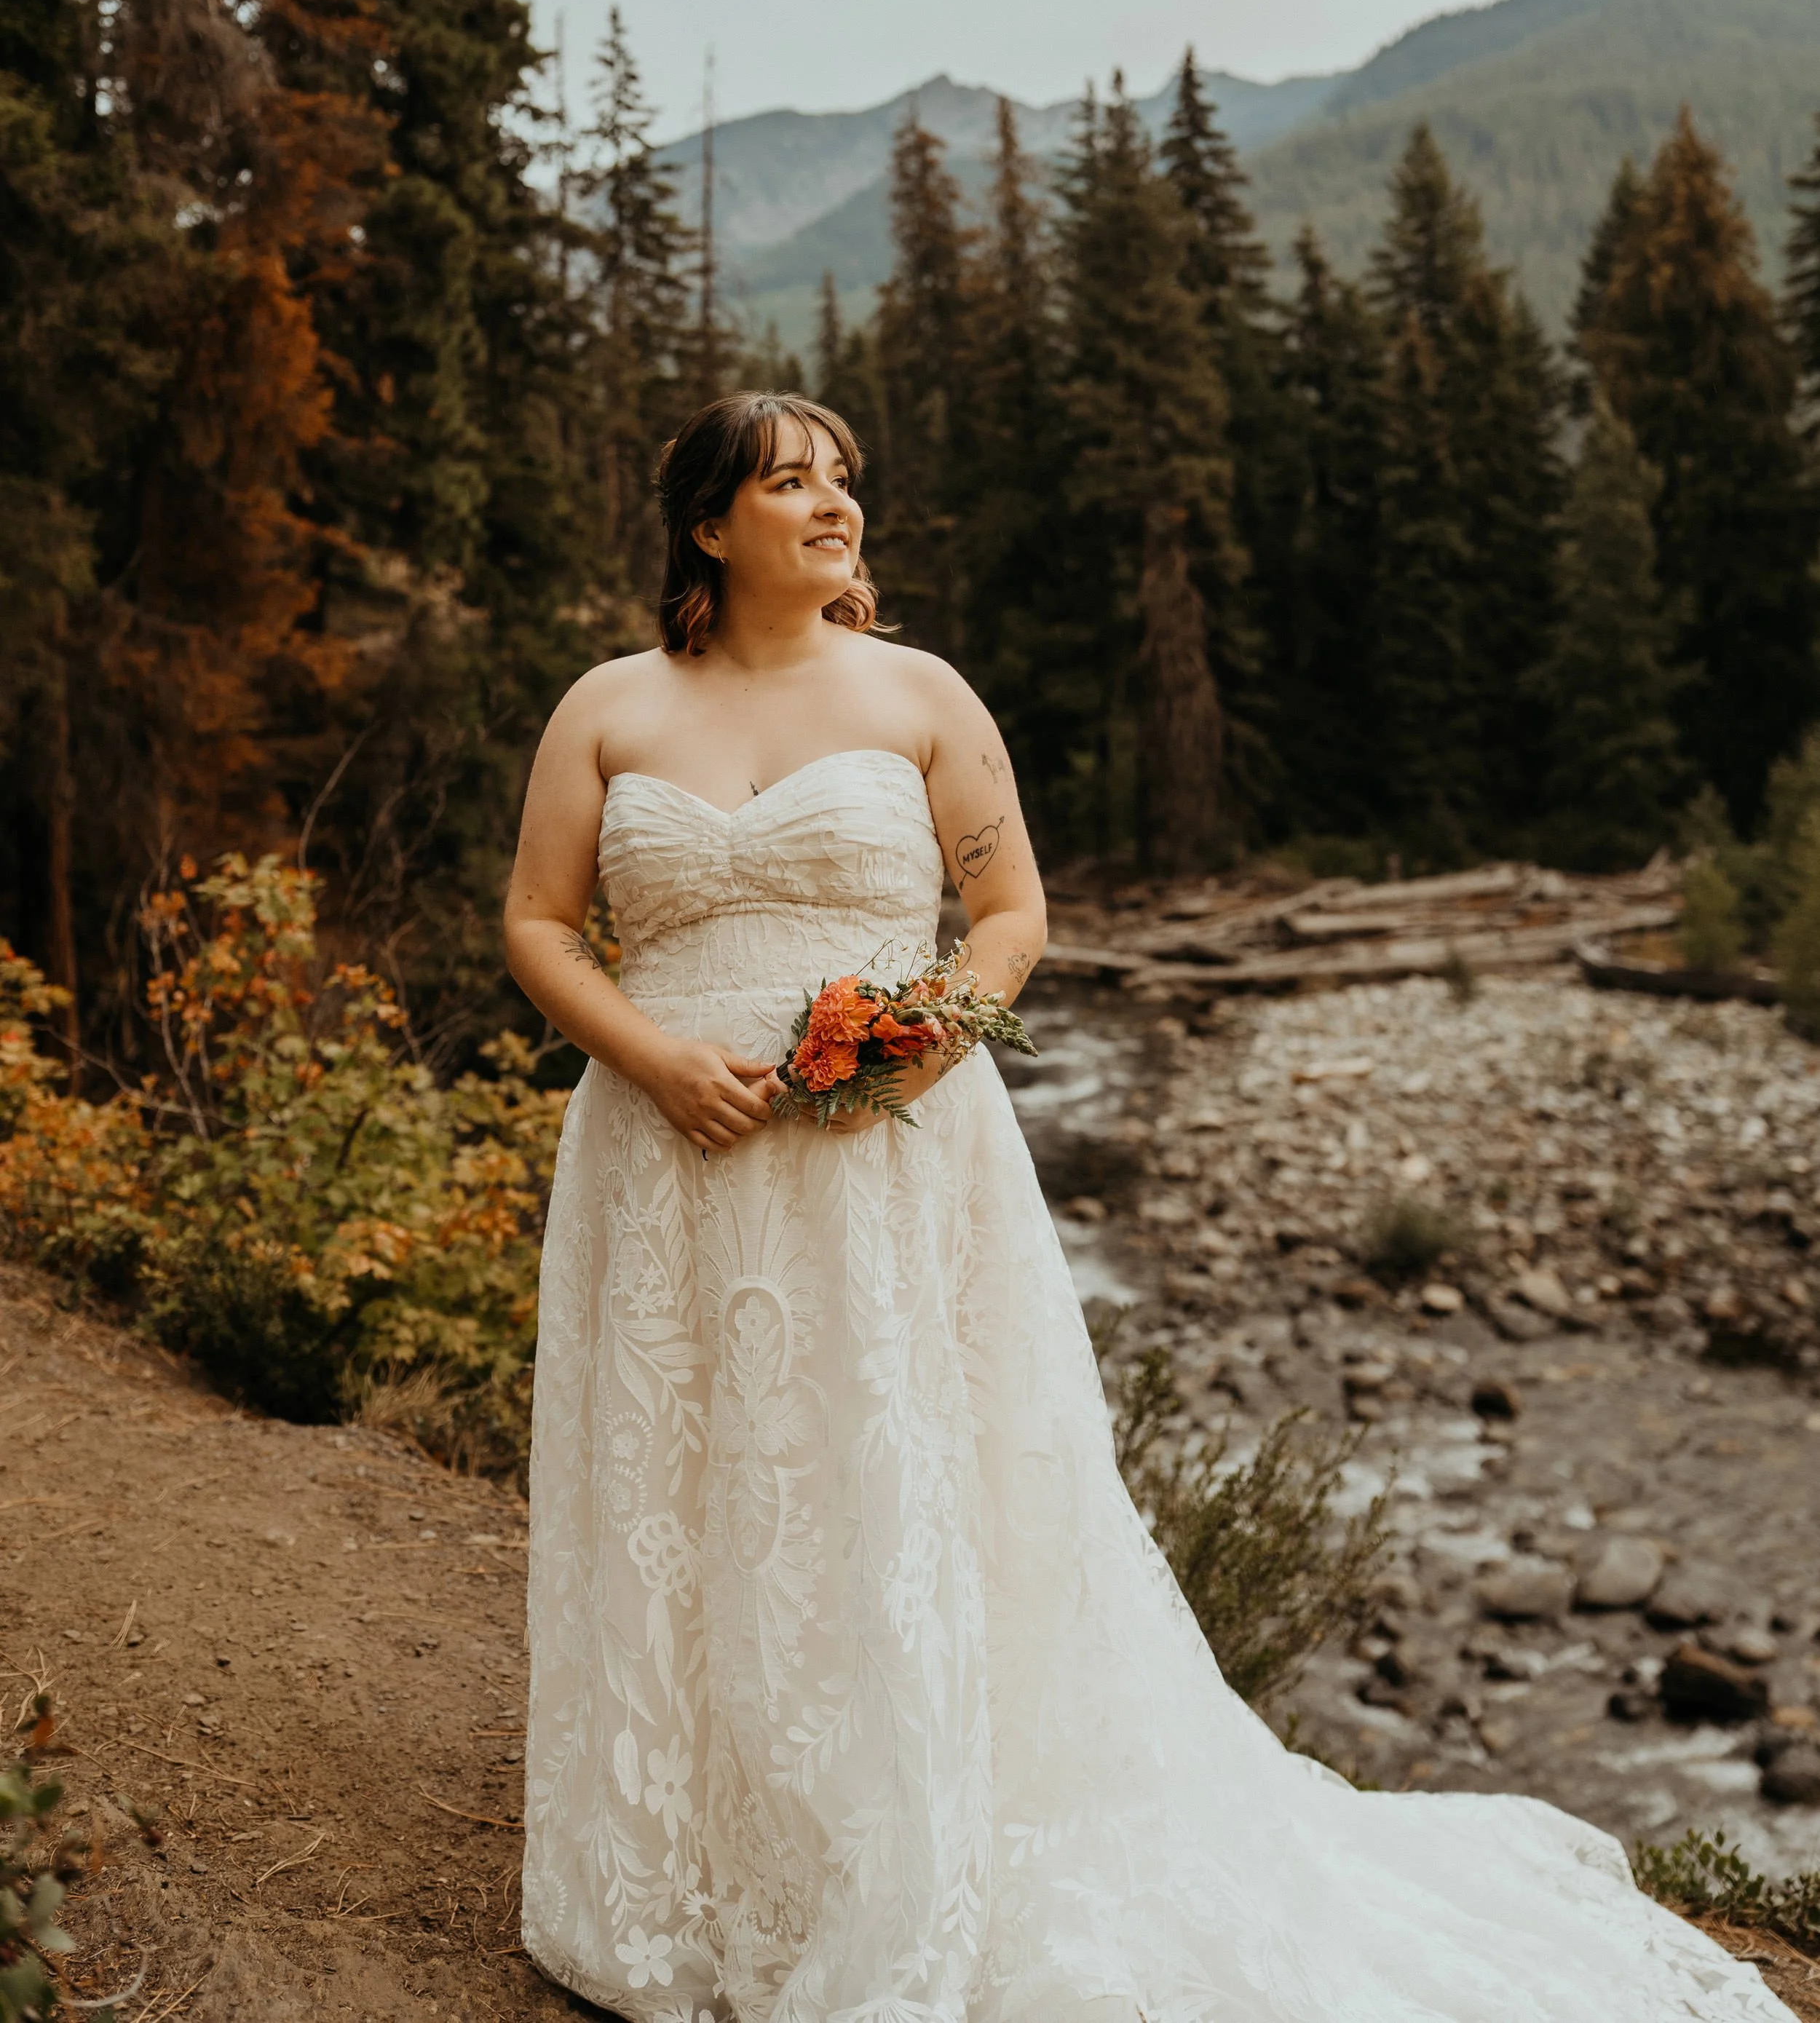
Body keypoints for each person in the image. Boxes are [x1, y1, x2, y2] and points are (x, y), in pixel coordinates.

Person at [505, 390, 1773, 2023]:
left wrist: (924, 1034)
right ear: (705, 525)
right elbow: (540, 925)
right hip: (660, 1154)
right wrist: (655, 1059)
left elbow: (1010, 911)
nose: (835, 506)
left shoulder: (919, 693)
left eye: (845, 481)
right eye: (791, 483)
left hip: (884, 1151)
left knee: (888, 1480)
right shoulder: (606, 708)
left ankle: (897, 1849)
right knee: (689, 1482)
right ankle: (693, 1867)